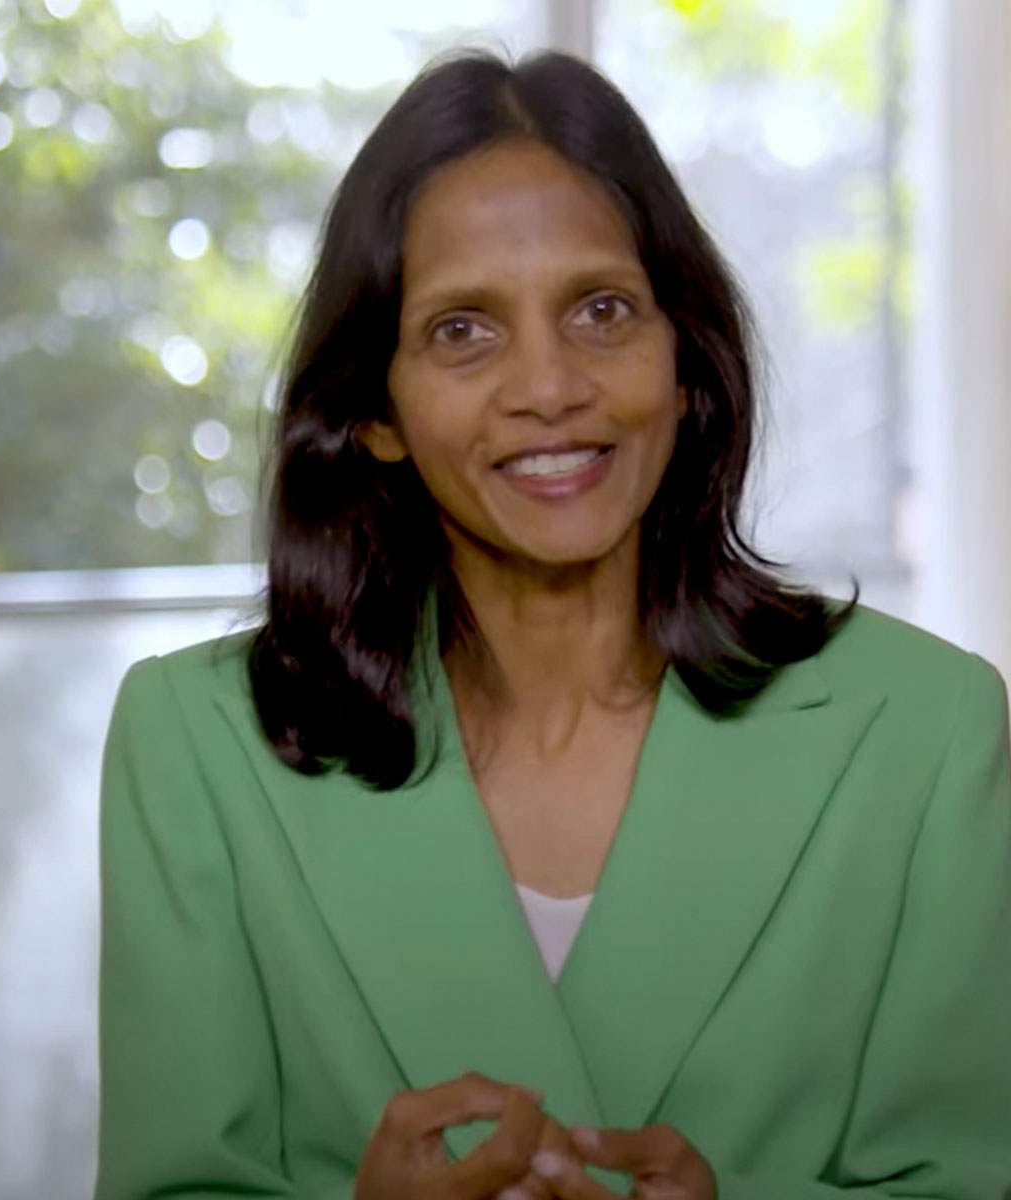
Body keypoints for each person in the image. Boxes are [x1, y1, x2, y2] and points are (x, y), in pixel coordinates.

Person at [93, 50, 1011, 1200]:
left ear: (687, 364)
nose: (550, 385)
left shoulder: (926, 730)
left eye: (602, 310)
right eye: (463, 331)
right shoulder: (196, 746)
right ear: (374, 410)